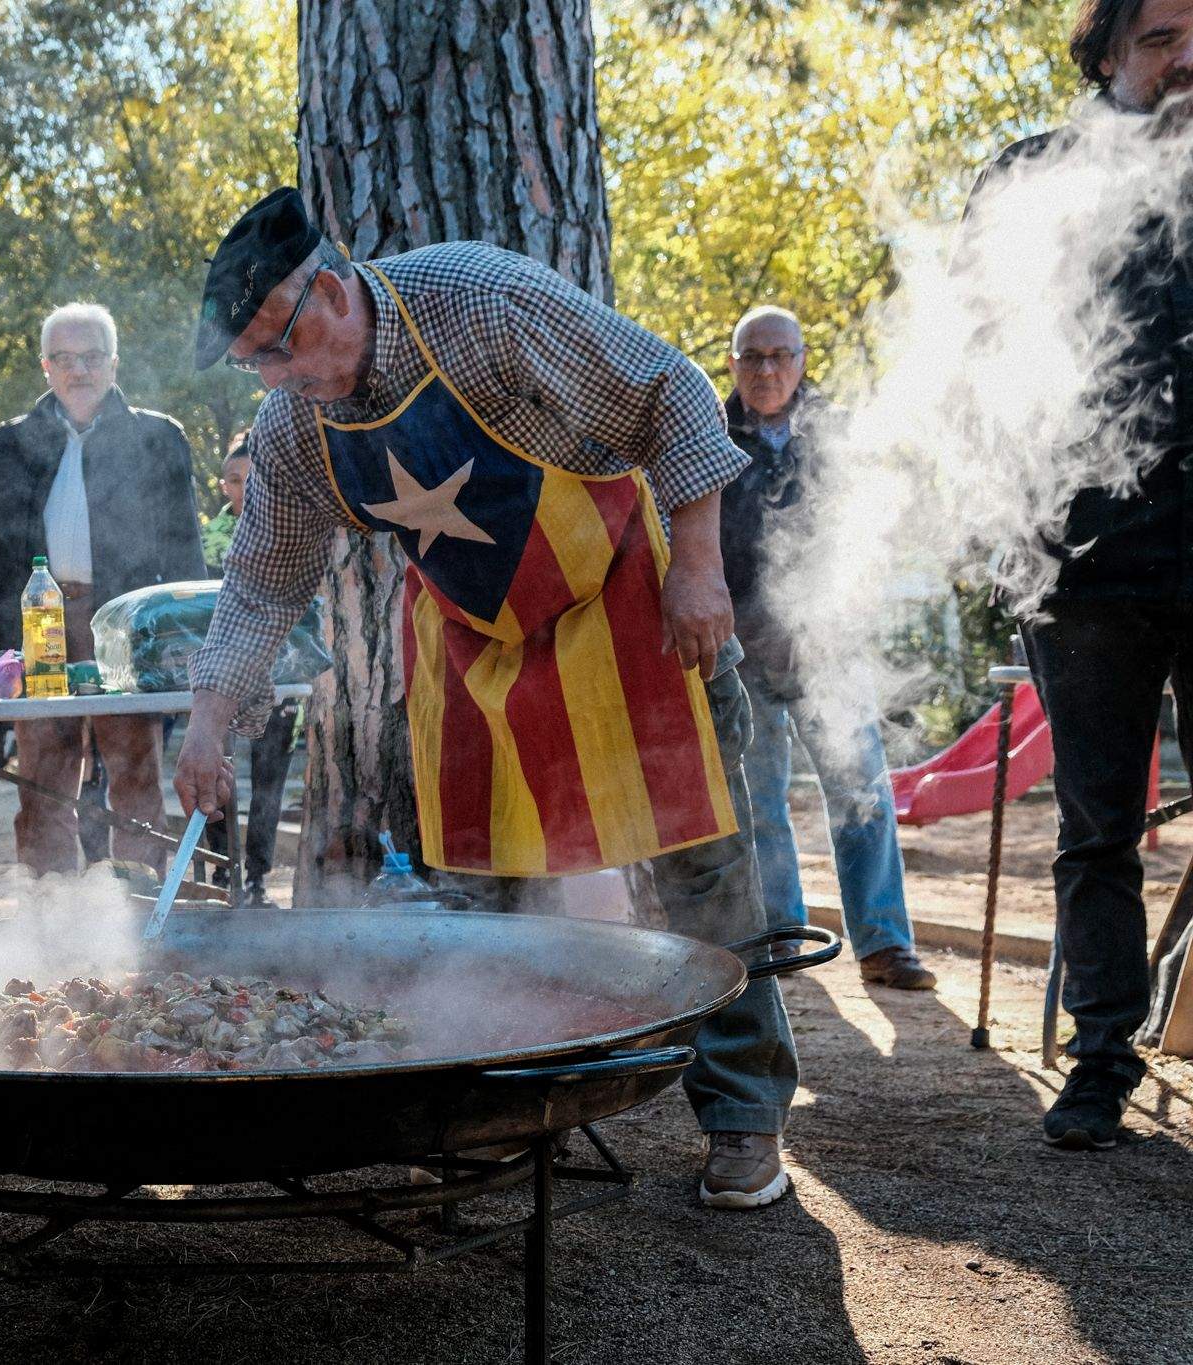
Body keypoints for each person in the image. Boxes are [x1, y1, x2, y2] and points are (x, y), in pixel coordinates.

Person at [177, 188, 803, 1210]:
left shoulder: (479, 300)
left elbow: (672, 391)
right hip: (476, 645)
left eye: (279, 349)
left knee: (698, 873)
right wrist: (209, 718)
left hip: (623, 610)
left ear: (330, 290)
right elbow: (259, 580)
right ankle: (503, 1111)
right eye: (257, 364)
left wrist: (697, 569)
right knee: (484, 903)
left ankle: (740, 1117)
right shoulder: (294, 428)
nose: (276, 380)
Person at [968, 0, 1193, 1149]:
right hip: (1085, 563)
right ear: (1106, 51)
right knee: (1097, 828)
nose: (1185, 57)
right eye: (1159, 37)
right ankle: (1099, 1057)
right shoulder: (1029, 180)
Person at [719, 306, 935, 991]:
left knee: (862, 790)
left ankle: (883, 942)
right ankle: (782, 933)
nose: (766, 370)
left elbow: (872, 533)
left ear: (803, 359)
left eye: (780, 354)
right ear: (733, 364)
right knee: (759, 799)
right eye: (752, 356)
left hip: (829, 647)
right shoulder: (710, 435)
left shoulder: (839, 433)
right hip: (741, 649)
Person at [0, 302, 207, 876]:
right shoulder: (9, 443)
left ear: (114, 364)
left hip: (127, 629)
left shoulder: (158, 438)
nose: (79, 371)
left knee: (136, 773)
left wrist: (184, 642)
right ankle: (52, 920)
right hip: (37, 623)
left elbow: (184, 548)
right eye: (64, 359)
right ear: (45, 366)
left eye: (91, 357)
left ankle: (141, 910)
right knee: (44, 776)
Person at [201, 430, 297, 908]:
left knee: (268, 782)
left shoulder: (288, 525)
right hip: (224, 679)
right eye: (234, 480)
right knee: (219, 777)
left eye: (252, 478)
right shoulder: (213, 538)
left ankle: (257, 877)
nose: (243, 489)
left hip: (281, 676)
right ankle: (223, 875)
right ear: (224, 486)